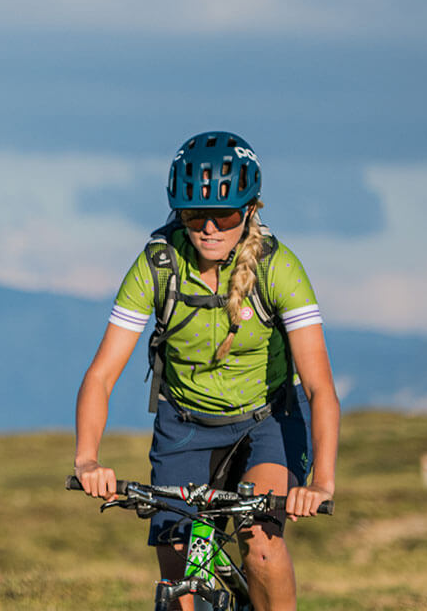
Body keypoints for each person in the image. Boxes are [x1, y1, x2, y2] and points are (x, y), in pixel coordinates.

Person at [71, 131, 338, 611]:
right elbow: (100, 375)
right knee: (181, 570)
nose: (209, 228)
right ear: (179, 213)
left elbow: (319, 387)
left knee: (260, 542)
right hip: (185, 425)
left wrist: (323, 482)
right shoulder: (158, 265)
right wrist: (87, 458)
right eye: (195, 214)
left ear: (250, 211)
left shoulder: (280, 269)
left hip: (269, 422)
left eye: (226, 214)